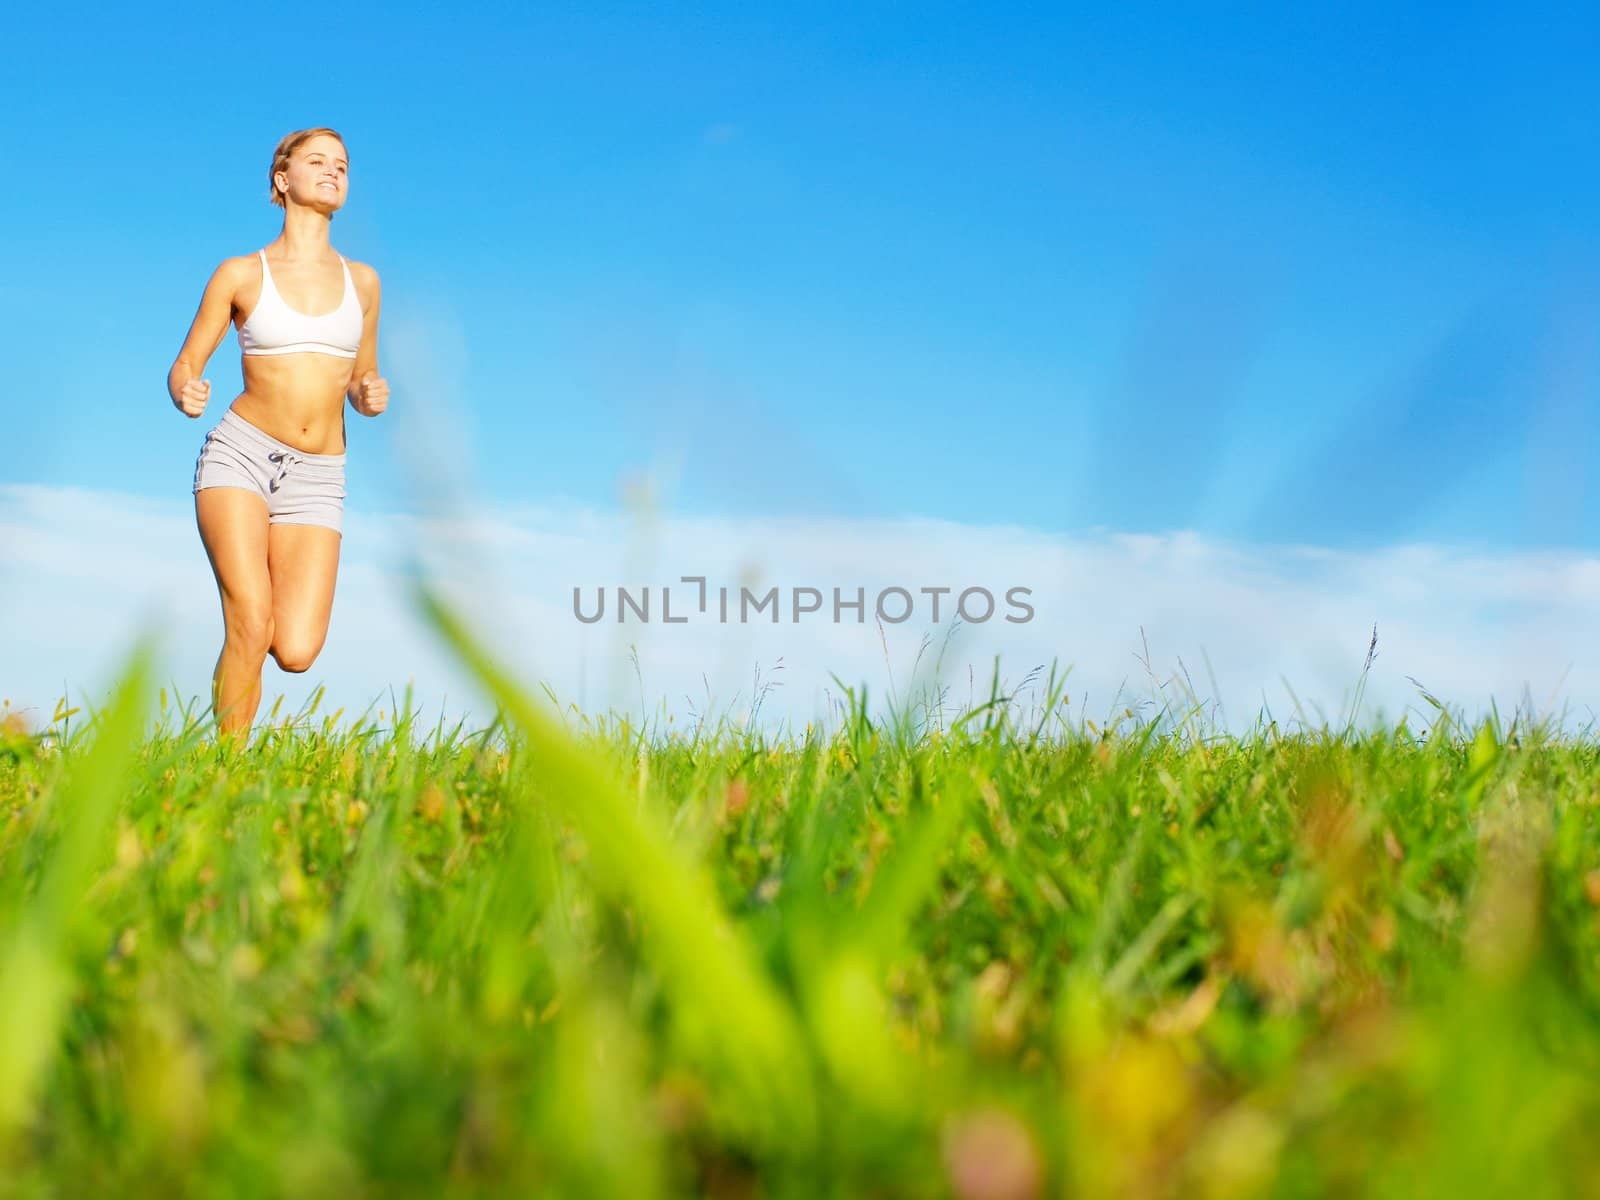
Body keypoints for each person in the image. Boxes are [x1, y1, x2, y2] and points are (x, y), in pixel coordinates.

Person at [166, 127, 389, 742]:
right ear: (282, 180)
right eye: (317, 161)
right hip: (240, 456)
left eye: (342, 164)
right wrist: (185, 388)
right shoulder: (241, 273)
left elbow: (361, 375)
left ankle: (230, 704)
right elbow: (186, 363)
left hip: (318, 475)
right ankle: (225, 775)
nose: (334, 171)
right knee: (251, 618)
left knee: (294, 649)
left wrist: (369, 392)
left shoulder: (363, 283)